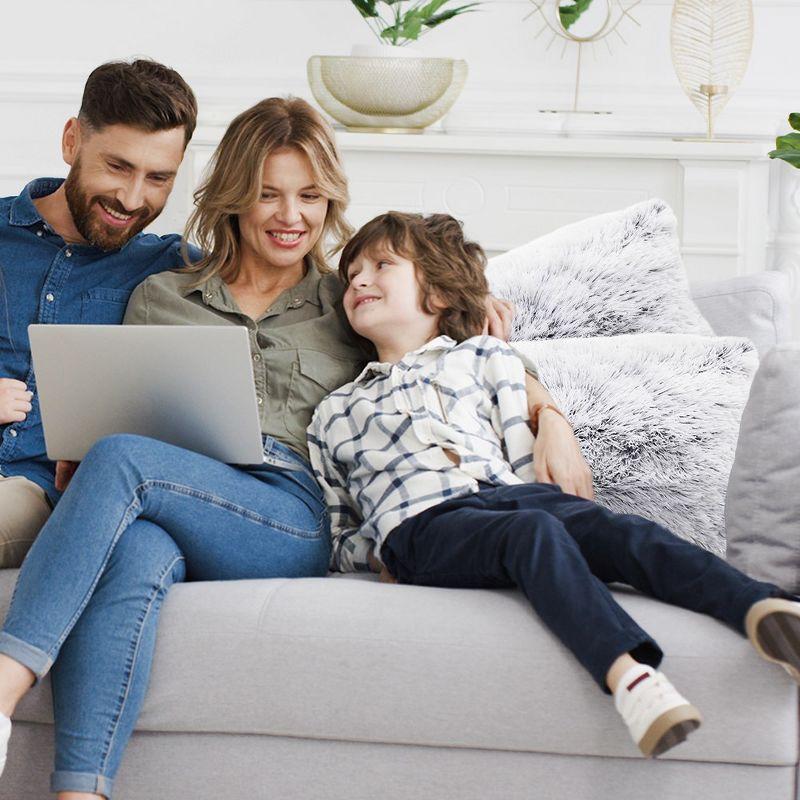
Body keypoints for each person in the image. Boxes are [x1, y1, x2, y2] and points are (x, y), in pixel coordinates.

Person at [0, 97, 590, 798]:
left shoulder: (351, 298)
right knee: (134, 548)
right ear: (235, 199)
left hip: (289, 514)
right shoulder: (163, 293)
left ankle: (2, 691)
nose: (291, 216)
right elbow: (126, 404)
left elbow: (457, 350)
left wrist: (549, 413)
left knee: (122, 459)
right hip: (179, 493)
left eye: (310, 196)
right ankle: (80, 793)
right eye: (269, 195)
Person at [307, 210, 800, 758]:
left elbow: (523, 451)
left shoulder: (485, 359)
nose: (359, 280)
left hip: (506, 497)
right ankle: (630, 678)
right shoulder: (336, 411)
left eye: (381, 265)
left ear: (440, 293)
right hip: (418, 528)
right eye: (352, 273)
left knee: (616, 531)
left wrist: (555, 443)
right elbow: (338, 520)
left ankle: (762, 610)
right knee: (533, 531)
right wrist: (376, 558)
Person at [0, 58, 198, 569]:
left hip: (31, 492)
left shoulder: (173, 268)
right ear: (72, 141)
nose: (133, 199)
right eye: (118, 166)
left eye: (158, 177)